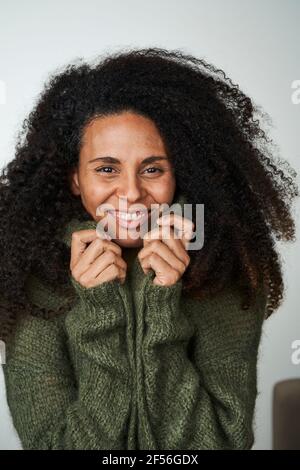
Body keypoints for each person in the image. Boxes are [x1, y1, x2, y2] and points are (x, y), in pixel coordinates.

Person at [0, 47, 298, 450]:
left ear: (181, 173)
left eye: (152, 169)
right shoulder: (32, 278)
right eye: (107, 169)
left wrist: (161, 309)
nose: (131, 193)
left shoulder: (225, 268)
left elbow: (218, 445)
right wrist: (101, 312)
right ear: (74, 178)